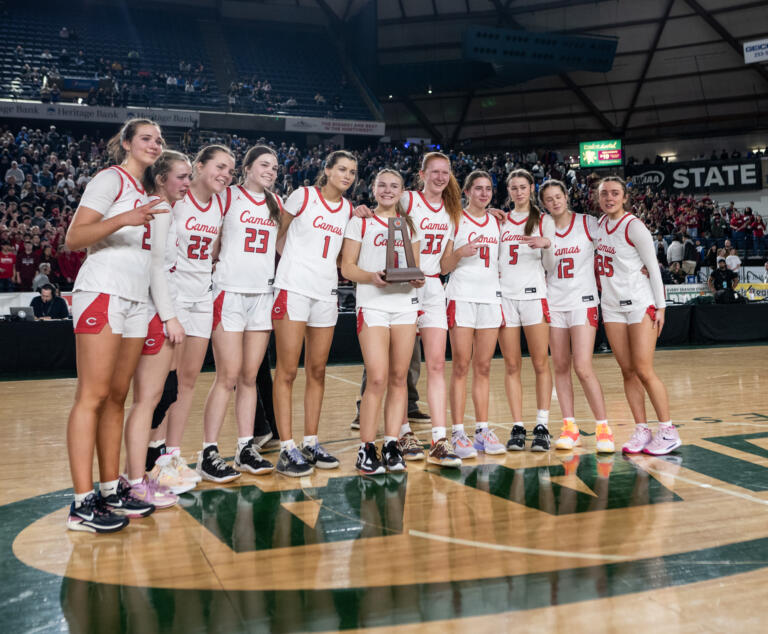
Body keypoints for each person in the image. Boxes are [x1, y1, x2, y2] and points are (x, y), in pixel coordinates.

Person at [64, 118, 166, 533]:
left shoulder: (146, 193)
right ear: (126, 143)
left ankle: (110, 489)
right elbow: (75, 237)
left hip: (135, 299)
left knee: (116, 397)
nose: (154, 144)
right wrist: (123, 219)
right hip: (103, 291)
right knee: (92, 395)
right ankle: (81, 502)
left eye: (159, 140)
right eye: (145, 138)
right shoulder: (110, 179)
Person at [199, 145, 283, 481]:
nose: (270, 171)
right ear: (246, 167)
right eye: (264, 165)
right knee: (228, 377)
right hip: (229, 293)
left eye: (275, 168)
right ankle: (208, 451)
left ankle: (246, 447)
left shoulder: (276, 203)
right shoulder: (227, 197)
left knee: (250, 377)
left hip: (263, 294)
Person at [271, 150, 357, 477]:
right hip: (293, 289)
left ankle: (310, 441)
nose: (347, 176)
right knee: (288, 370)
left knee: (318, 369)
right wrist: (291, 265)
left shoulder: (348, 209)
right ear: (327, 170)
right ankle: (286, 447)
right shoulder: (303, 195)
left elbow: (339, 257)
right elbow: (277, 235)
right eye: (342, 169)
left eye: (352, 172)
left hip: (326, 292)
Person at [157, 145, 235, 473]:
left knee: (188, 380)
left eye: (230, 171)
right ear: (199, 166)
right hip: (172, 297)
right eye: (219, 167)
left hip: (203, 297)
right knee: (164, 382)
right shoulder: (176, 199)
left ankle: (173, 455)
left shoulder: (223, 201)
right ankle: (152, 457)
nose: (225, 175)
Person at [341, 169, 423, 474]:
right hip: (373, 304)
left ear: (402, 191)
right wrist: (372, 277)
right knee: (377, 378)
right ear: (373, 188)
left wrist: (416, 280)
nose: (388, 190)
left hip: (404, 305)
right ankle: (366, 448)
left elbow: (413, 268)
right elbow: (348, 268)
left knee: (400, 378)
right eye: (382, 185)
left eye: (394, 186)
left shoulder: (408, 225)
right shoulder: (360, 221)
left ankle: (391, 443)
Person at [122, 150, 193, 506]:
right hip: (153, 313)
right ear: (161, 177)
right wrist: (169, 315)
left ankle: (137, 476)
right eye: (180, 176)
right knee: (147, 402)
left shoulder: (164, 209)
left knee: (153, 400)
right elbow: (155, 269)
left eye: (189, 177)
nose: (187, 183)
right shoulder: (160, 209)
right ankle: (134, 480)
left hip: (154, 311)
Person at [595, 176, 680, 456]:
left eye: (615, 193)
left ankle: (668, 430)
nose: (609, 198)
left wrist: (661, 306)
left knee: (644, 369)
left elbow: (653, 269)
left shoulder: (634, 226)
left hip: (639, 304)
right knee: (628, 370)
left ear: (624, 197)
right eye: (604, 193)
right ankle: (642, 429)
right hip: (611, 306)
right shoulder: (598, 226)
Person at [538, 180, 613, 453]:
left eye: (558, 196)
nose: (555, 202)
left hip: (583, 301)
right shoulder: (543, 225)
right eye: (549, 199)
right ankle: (570, 427)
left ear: (567, 196)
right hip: (554, 302)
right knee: (559, 366)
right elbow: (547, 265)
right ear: (544, 204)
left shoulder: (588, 223)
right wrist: (546, 246)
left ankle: (604, 427)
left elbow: (613, 242)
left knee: (582, 366)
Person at [440, 171, 505, 456]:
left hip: (491, 298)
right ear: (466, 191)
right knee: (461, 366)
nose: (483, 193)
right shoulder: (455, 219)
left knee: (484, 367)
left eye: (488, 189)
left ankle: (481, 429)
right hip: (462, 296)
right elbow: (443, 266)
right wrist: (460, 252)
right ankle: (457, 432)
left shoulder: (496, 221)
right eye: (477, 189)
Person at [498, 168, 555, 452]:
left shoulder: (544, 221)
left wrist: (547, 246)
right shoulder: (500, 220)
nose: (518, 192)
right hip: (505, 298)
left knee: (540, 362)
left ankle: (542, 424)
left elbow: (553, 266)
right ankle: (518, 426)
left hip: (534, 297)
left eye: (523, 187)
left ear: (531, 188)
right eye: (513, 188)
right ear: (508, 190)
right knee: (511, 365)